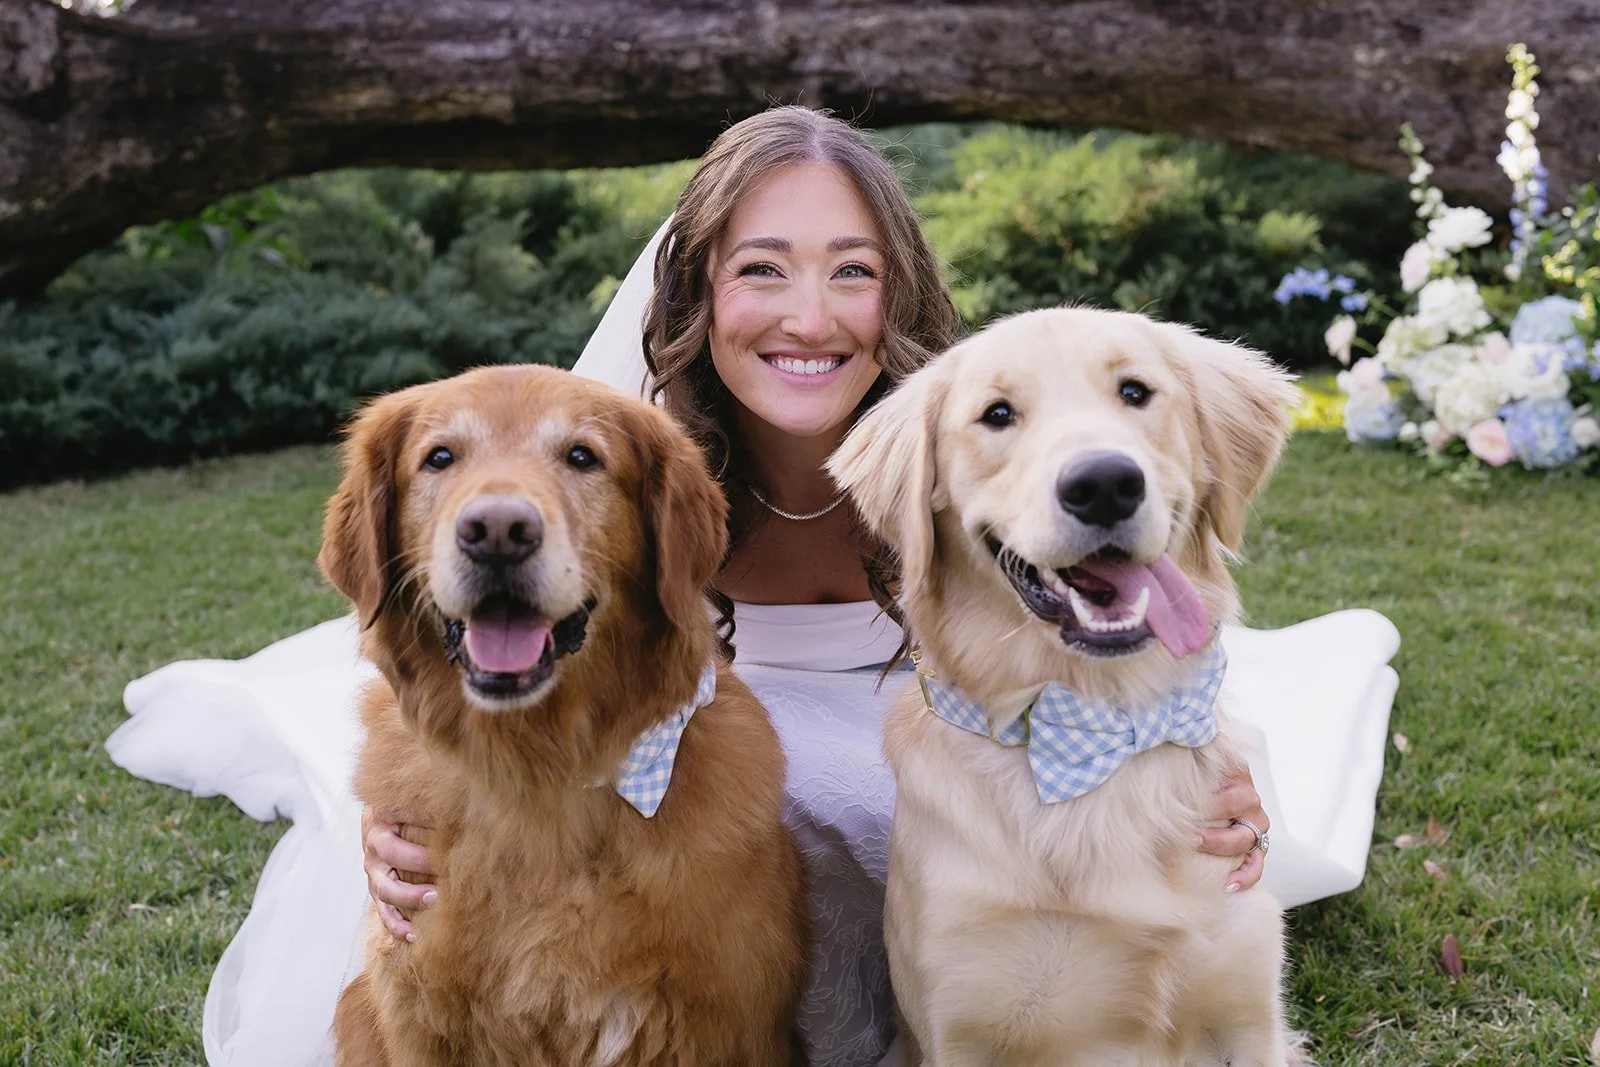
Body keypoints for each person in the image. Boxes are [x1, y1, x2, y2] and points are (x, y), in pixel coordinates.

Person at [109, 105, 1400, 1067]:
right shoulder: (621, 485)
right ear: (698, 294)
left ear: (896, 289)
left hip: (991, 816)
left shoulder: (976, 438)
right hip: (697, 827)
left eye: (852, 269)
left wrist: (1211, 765)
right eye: (762, 268)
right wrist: (411, 818)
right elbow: (447, 668)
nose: (809, 314)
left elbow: (1139, 625)